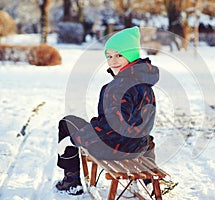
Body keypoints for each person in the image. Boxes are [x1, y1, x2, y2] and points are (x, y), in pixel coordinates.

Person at [55, 26, 159, 195]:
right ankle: (148, 182)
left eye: (119, 55)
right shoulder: (146, 85)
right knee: (146, 137)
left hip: (113, 149)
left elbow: (111, 129)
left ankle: (71, 181)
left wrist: (73, 140)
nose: (113, 61)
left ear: (131, 56)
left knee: (68, 123)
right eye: (109, 56)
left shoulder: (117, 87)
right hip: (137, 148)